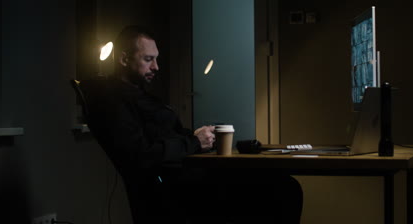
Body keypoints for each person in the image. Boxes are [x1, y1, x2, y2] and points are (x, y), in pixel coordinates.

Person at [82, 25, 303, 224]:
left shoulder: (140, 97)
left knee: (282, 184)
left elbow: (166, 137)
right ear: (123, 60)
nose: (157, 67)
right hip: (175, 192)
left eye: (156, 59)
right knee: (284, 189)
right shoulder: (112, 101)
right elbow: (141, 155)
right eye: (148, 59)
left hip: (190, 180)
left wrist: (196, 137)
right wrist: (193, 142)